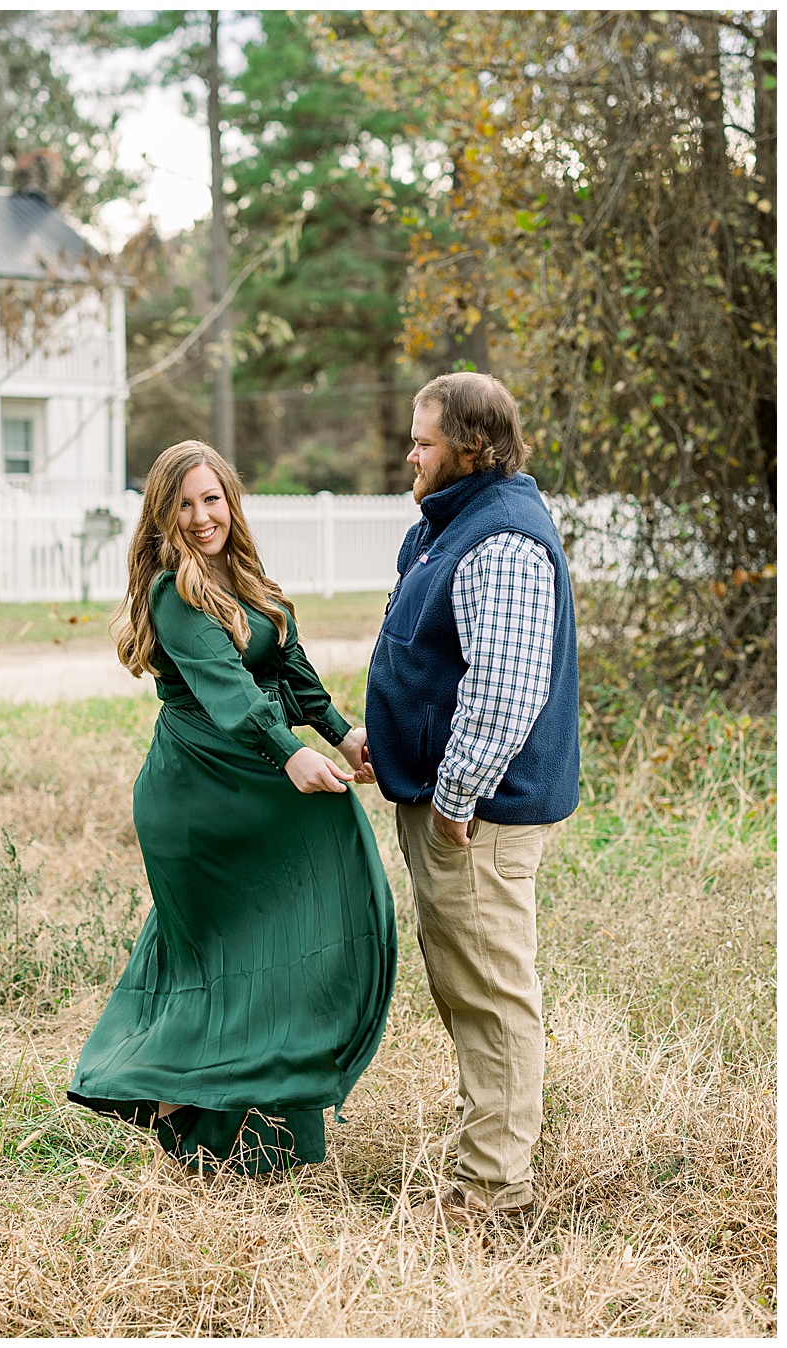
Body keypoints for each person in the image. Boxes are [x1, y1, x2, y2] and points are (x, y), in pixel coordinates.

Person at [68, 441, 396, 1173]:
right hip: (198, 801)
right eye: (183, 504)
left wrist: (344, 736)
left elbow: (289, 668)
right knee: (221, 964)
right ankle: (167, 1091)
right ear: (162, 516)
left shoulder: (247, 579)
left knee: (276, 951)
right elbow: (235, 693)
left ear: (231, 501)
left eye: (211, 499)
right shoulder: (171, 593)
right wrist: (290, 752)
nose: (200, 516)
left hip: (251, 786)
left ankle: (242, 1127)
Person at [365, 372, 578, 1225]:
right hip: (452, 807)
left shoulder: (503, 541)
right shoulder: (450, 525)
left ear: (472, 448)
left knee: (492, 997)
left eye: (421, 442)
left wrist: (454, 798)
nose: (408, 455)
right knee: (471, 990)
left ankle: (492, 1194)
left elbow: (506, 689)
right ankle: (485, 1162)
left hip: (478, 819)